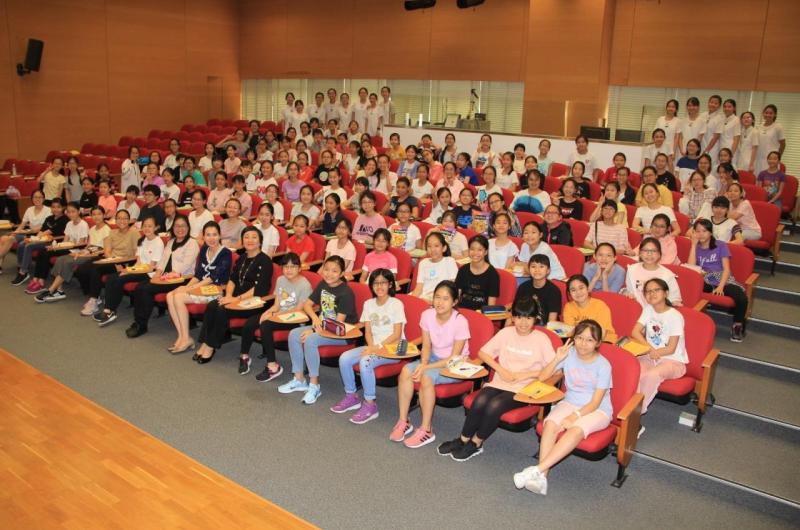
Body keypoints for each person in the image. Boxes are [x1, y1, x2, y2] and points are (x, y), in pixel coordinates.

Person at [438, 297, 556, 461]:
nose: (523, 323)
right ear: (512, 317)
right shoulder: (506, 333)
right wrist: (500, 369)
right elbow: (483, 353)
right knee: (480, 401)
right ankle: (463, 439)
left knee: (495, 406)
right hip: (500, 382)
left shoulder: (541, 339)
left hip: (523, 389)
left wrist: (525, 375)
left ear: (536, 318)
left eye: (528, 318)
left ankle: (476, 442)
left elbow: (553, 369)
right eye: (519, 317)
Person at [513, 320, 612, 496]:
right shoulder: (568, 354)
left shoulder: (603, 365)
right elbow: (542, 377)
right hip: (570, 401)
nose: (583, 343)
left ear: (598, 343)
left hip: (598, 410)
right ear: (573, 338)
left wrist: (574, 416)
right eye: (579, 338)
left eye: (589, 340)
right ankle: (542, 477)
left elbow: (596, 402)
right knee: (550, 424)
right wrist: (557, 359)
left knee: (575, 430)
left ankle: (537, 470)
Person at [391, 280, 470, 448]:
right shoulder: (427, 315)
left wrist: (425, 367)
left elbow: (453, 358)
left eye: (446, 299)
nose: (440, 302)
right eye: (437, 297)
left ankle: (426, 429)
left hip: (456, 365)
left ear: (454, 302)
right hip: (433, 358)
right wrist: (424, 362)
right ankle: (404, 421)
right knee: (406, 371)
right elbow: (426, 345)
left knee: (426, 377)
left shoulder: (460, 321)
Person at [277, 256, 357, 404]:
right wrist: (314, 319)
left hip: (342, 333)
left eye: (334, 271)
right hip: (324, 326)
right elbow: (307, 304)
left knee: (310, 340)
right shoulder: (323, 284)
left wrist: (314, 331)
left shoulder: (346, 293)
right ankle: (299, 379)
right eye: (326, 269)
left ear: (341, 273)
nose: (329, 274)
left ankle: (314, 385)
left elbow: (337, 323)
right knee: (294, 334)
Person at [331, 269, 405, 423]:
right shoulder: (369, 304)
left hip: (392, 349)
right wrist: (371, 346)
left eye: (383, 283)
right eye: (376, 283)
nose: (379, 286)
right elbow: (368, 331)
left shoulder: (396, 304)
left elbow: (397, 334)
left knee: (365, 362)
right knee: (344, 358)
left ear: (390, 284)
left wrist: (375, 348)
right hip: (374, 347)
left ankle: (370, 405)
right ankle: (351, 396)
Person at [195, 227, 273, 365]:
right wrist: (229, 296)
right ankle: (205, 342)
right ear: (242, 241)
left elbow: (259, 288)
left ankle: (211, 346)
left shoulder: (265, 260)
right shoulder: (242, 258)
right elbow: (232, 279)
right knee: (212, 305)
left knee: (222, 309)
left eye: (254, 237)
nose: (250, 240)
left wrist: (235, 299)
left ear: (260, 241)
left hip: (254, 302)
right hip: (236, 298)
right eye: (246, 237)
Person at [164, 221, 232, 353]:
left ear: (220, 236)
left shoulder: (225, 253)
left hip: (215, 290)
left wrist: (190, 289)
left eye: (214, 235)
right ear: (203, 236)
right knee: (170, 295)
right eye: (208, 235)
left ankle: (186, 338)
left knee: (178, 298)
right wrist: (187, 286)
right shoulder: (204, 249)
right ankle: (182, 336)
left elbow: (212, 277)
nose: (211, 238)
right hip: (200, 288)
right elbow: (198, 274)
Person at [91, 217, 164, 327]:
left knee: (119, 279)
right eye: (145, 226)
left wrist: (131, 271)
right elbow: (138, 262)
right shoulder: (142, 240)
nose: (147, 228)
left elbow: (151, 267)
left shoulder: (158, 242)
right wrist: (129, 270)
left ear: (156, 228)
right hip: (139, 270)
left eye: (150, 226)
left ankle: (110, 311)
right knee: (112, 277)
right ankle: (108, 309)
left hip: (149, 273)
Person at [630, 278, 688, 414]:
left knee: (652, 375)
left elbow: (671, 348)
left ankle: (636, 413)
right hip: (650, 356)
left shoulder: (675, 316)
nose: (652, 294)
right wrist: (650, 349)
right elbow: (635, 332)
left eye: (656, 290)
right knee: (634, 370)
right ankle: (628, 406)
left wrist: (654, 352)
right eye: (648, 291)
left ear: (666, 293)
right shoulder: (648, 309)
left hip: (673, 361)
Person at [688, 219, 749, 341]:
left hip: (722, 279)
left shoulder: (721, 245)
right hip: (705, 279)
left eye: (704, 231)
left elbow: (726, 269)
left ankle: (737, 326)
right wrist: (693, 245)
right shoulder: (696, 247)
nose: (701, 234)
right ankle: (690, 322)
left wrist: (721, 286)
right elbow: (691, 267)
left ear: (710, 232)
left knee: (742, 298)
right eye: (698, 231)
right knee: (690, 286)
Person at [34, 205, 110, 303]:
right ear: (91, 216)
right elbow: (88, 245)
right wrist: (81, 252)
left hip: (96, 255)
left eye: (99, 214)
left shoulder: (107, 230)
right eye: (94, 214)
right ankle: (59, 290)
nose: (96, 217)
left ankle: (51, 290)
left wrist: (84, 254)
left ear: (104, 215)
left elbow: (104, 250)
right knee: (61, 259)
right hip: (87, 252)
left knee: (67, 262)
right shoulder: (92, 229)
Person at [75, 209, 139, 316]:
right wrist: (114, 261)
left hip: (125, 262)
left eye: (125, 218)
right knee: (87, 268)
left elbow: (136, 254)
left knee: (96, 270)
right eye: (119, 218)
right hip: (112, 260)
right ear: (116, 220)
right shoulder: (112, 232)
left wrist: (120, 264)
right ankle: (94, 298)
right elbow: (107, 251)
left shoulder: (134, 233)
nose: (122, 221)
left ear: (129, 220)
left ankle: (94, 299)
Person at [11, 198, 68, 287]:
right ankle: (21, 267)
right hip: (42, 240)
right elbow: (41, 231)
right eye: (53, 207)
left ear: (63, 207)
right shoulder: (49, 218)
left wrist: (33, 240)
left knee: (29, 246)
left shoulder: (64, 220)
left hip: (53, 243)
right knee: (22, 243)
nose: (55, 209)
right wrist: (33, 238)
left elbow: (49, 232)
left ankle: (23, 272)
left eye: (58, 207)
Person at [0, 190, 50, 273]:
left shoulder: (48, 210)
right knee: (5, 238)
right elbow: (22, 225)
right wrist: (14, 233)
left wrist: (31, 231)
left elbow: (45, 227)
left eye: (40, 197)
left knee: (9, 239)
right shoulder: (29, 209)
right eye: (35, 197)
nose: (37, 199)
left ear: (43, 199)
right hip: (27, 233)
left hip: (39, 235)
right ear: (32, 199)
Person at [624, 237, 681, 307]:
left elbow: (674, 300)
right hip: (636, 309)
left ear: (659, 254)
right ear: (640, 253)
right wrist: (627, 294)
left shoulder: (667, 275)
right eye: (645, 250)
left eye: (654, 251)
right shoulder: (632, 270)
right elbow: (630, 291)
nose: (649, 254)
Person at [562, 275, 617, 342]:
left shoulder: (600, 306)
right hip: (580, 342)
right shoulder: (568, 307)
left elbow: (601, 334)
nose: (578, 292)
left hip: (604, 341)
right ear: (569, 293)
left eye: (581, 288)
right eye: (573, 290)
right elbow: (570, 331)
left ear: (587, 289)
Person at [513, 254, 562, 324]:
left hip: (546, 326)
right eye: (533, 266)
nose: (537, 270)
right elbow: (515, 312)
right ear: (529, 269)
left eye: (541, 266)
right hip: (525, 325)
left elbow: (552, 321)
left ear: (548, 270)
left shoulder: (554, 291)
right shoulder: (523, 287)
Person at [455, 235, 499, 310]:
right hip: (462, 312)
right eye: (472, 249)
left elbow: (491, 305)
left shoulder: (492, 274)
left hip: (480, 313)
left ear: (486, 252)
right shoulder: (463, 270)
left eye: (480, 250)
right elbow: (457, 296)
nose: (475, 253)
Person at [411, 232, 458, 302]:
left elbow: (452, 287)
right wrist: (412, 300)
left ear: (444, 248)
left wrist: (432, 301)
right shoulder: (423, 263)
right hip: (423, 297)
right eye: (429, 246)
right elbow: (419, 288)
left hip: (440, 299)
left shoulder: (449, 261)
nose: (432, 249)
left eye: (436, 246)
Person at [755, 104, 785, 175]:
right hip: (758, 159)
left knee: (769, 180)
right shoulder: (758, 127)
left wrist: (777, 158)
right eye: (766, 113)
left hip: (771, 161)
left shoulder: (778, 127)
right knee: (758, 178)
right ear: (763, 113)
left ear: (775, 115)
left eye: (771, 113)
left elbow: (783, 144)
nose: (768, 115)